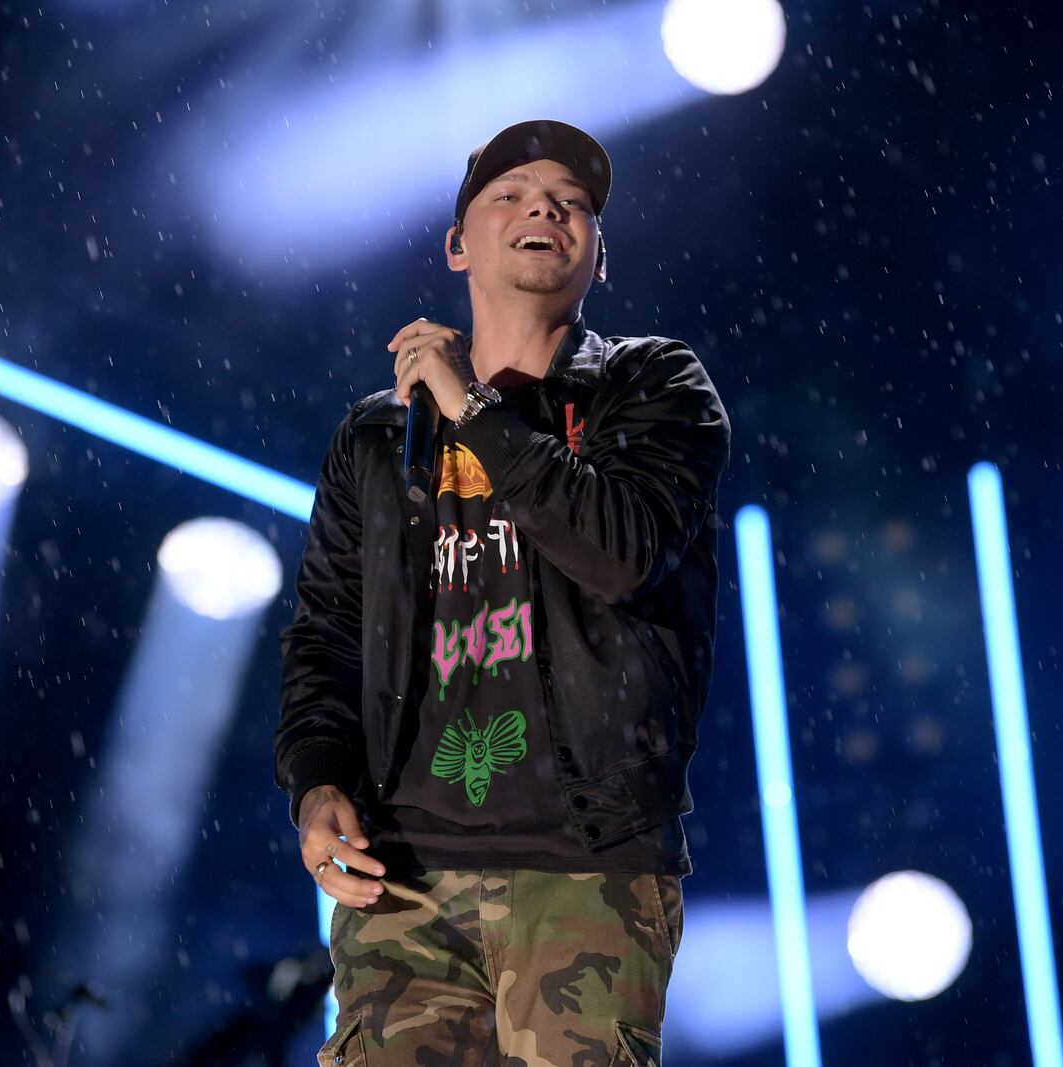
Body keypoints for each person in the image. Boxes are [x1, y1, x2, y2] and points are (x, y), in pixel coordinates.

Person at [275, 119, 730, 1066]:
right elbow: (327, 637)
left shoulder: (654, 385)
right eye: (513, 196)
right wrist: (317, 785)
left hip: (586, 867)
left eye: (572, 203)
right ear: (457, 244)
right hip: (403, 878)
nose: (545, 210)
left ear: (597, 253)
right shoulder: (374, 439)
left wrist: (472, 407)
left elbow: (618, 549)